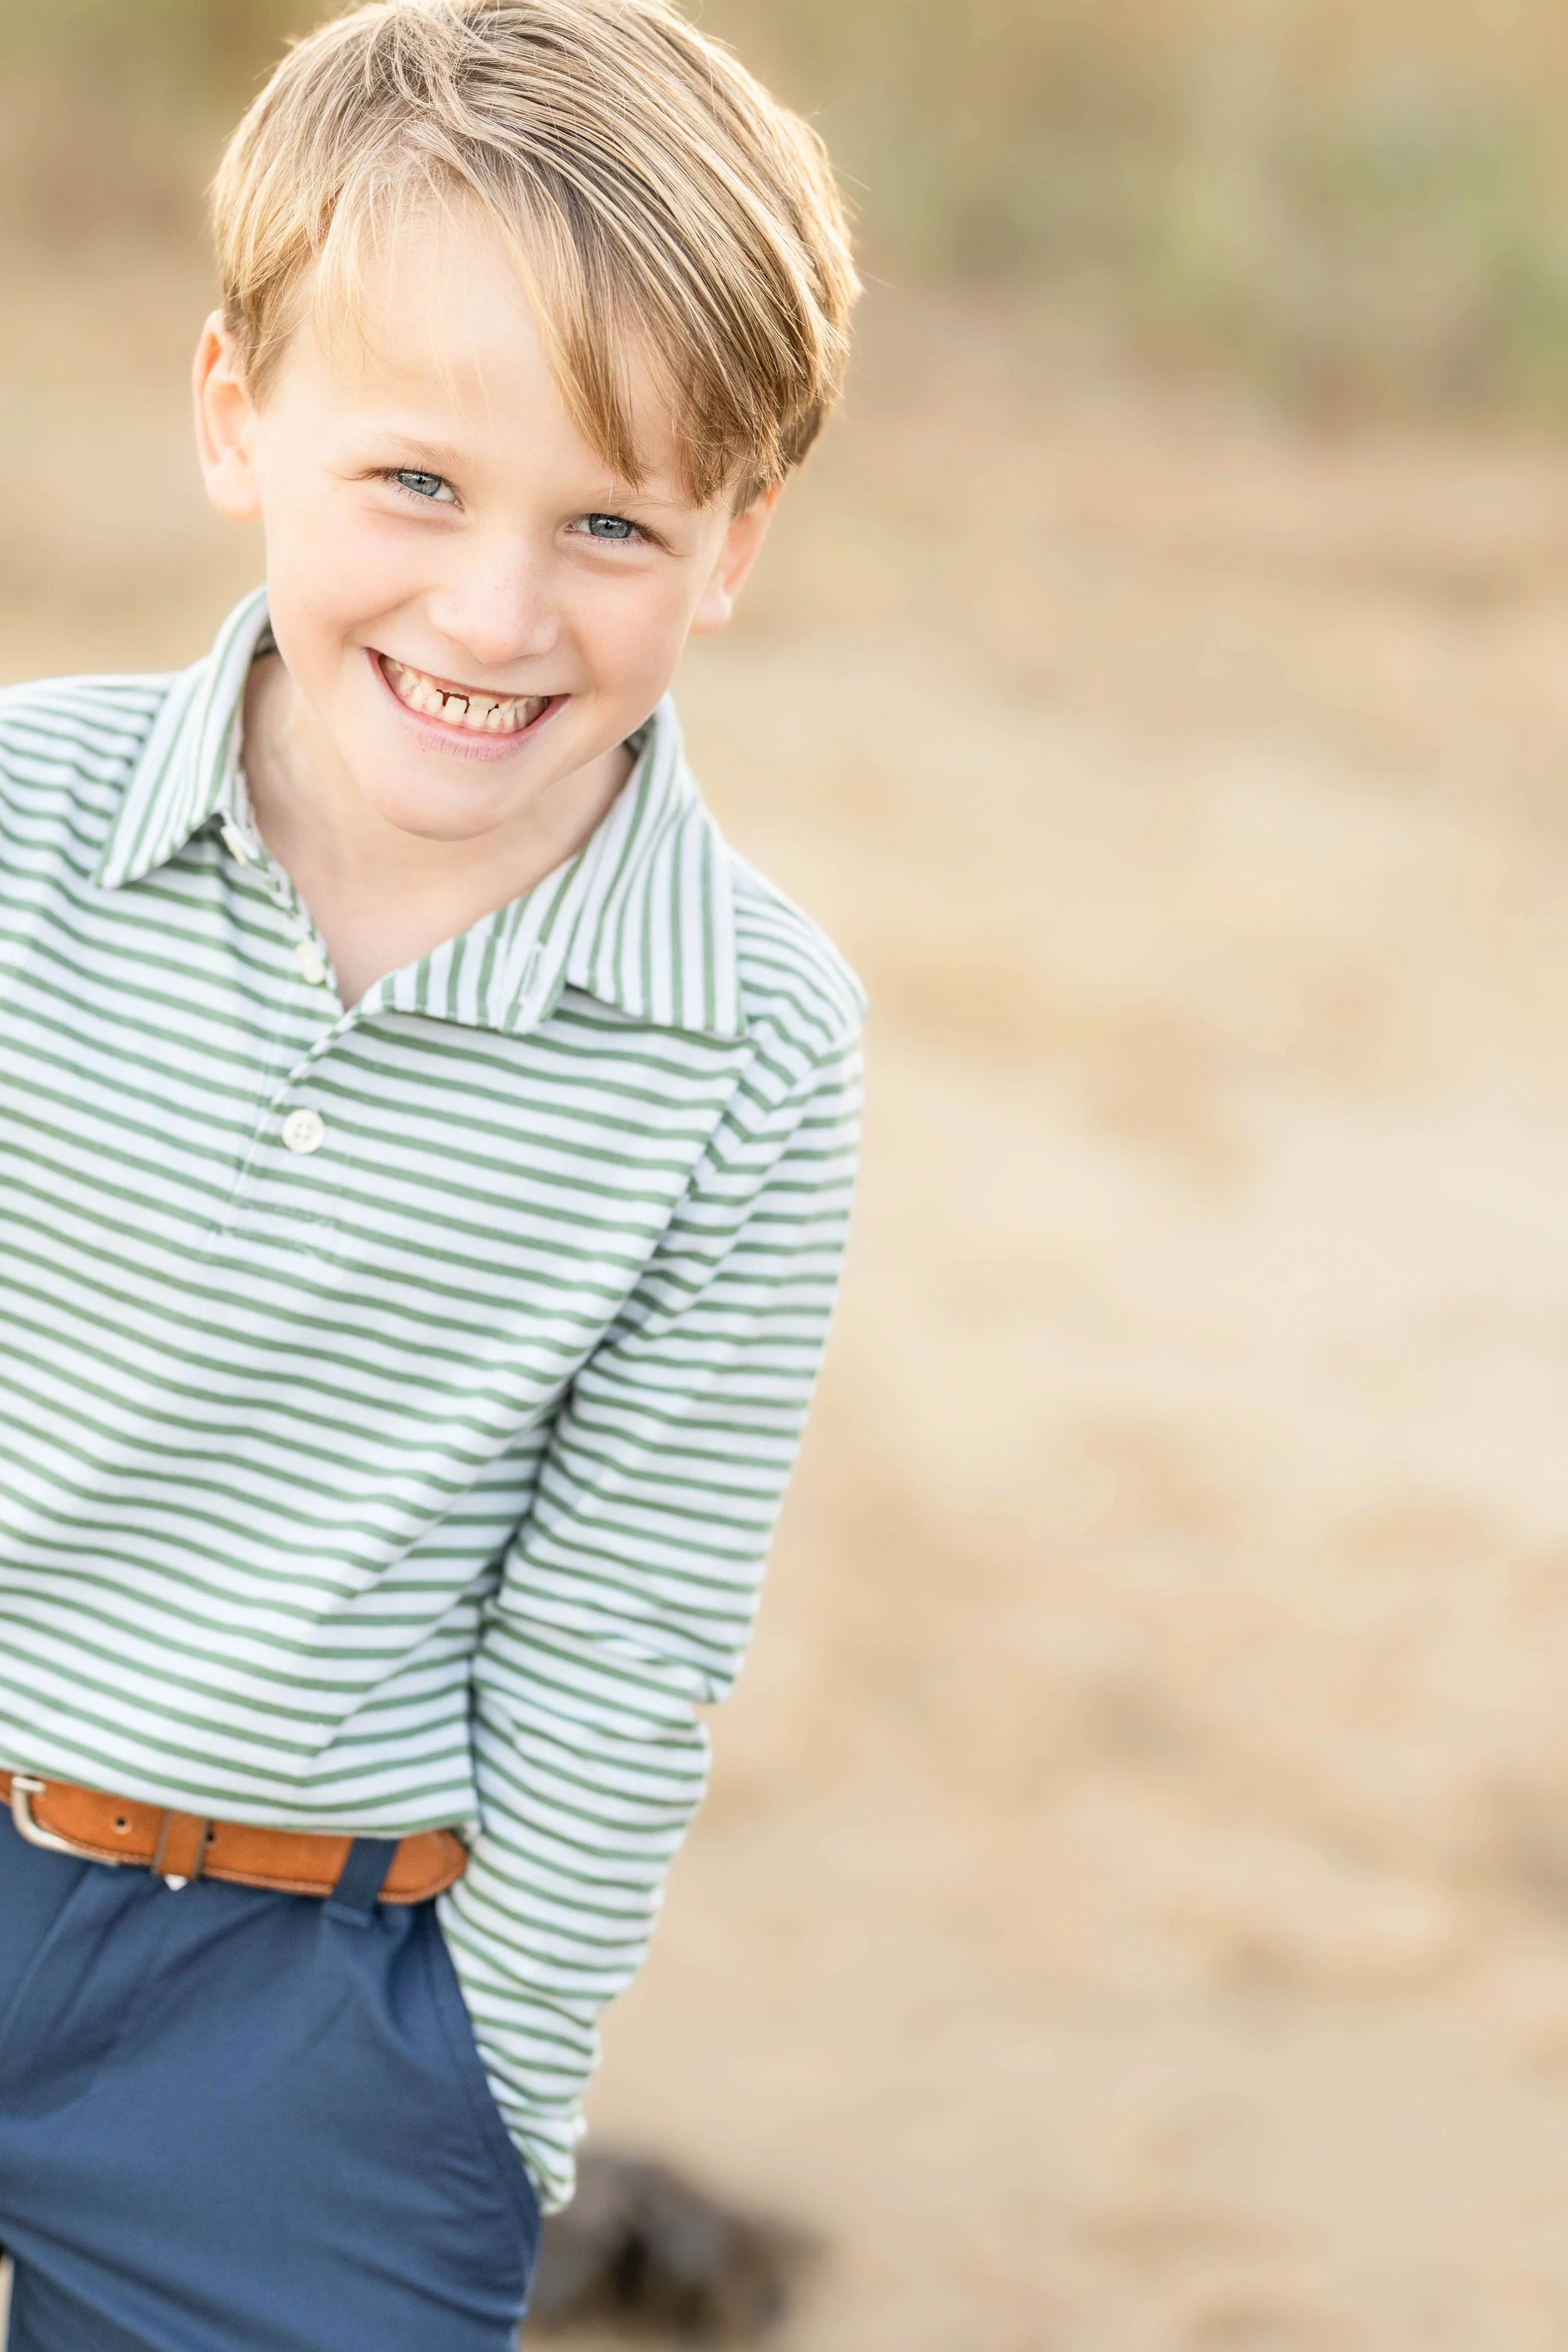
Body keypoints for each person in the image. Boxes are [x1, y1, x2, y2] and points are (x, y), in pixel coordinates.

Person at [0, 3, 862, 2344]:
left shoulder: (747, 1035)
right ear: (231, 417)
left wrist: (491, 2091)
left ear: (731, 543)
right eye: (414, 485)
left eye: (609, 523)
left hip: (316, 2033)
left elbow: (624, 1627)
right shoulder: (16, 832)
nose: (496, 615)